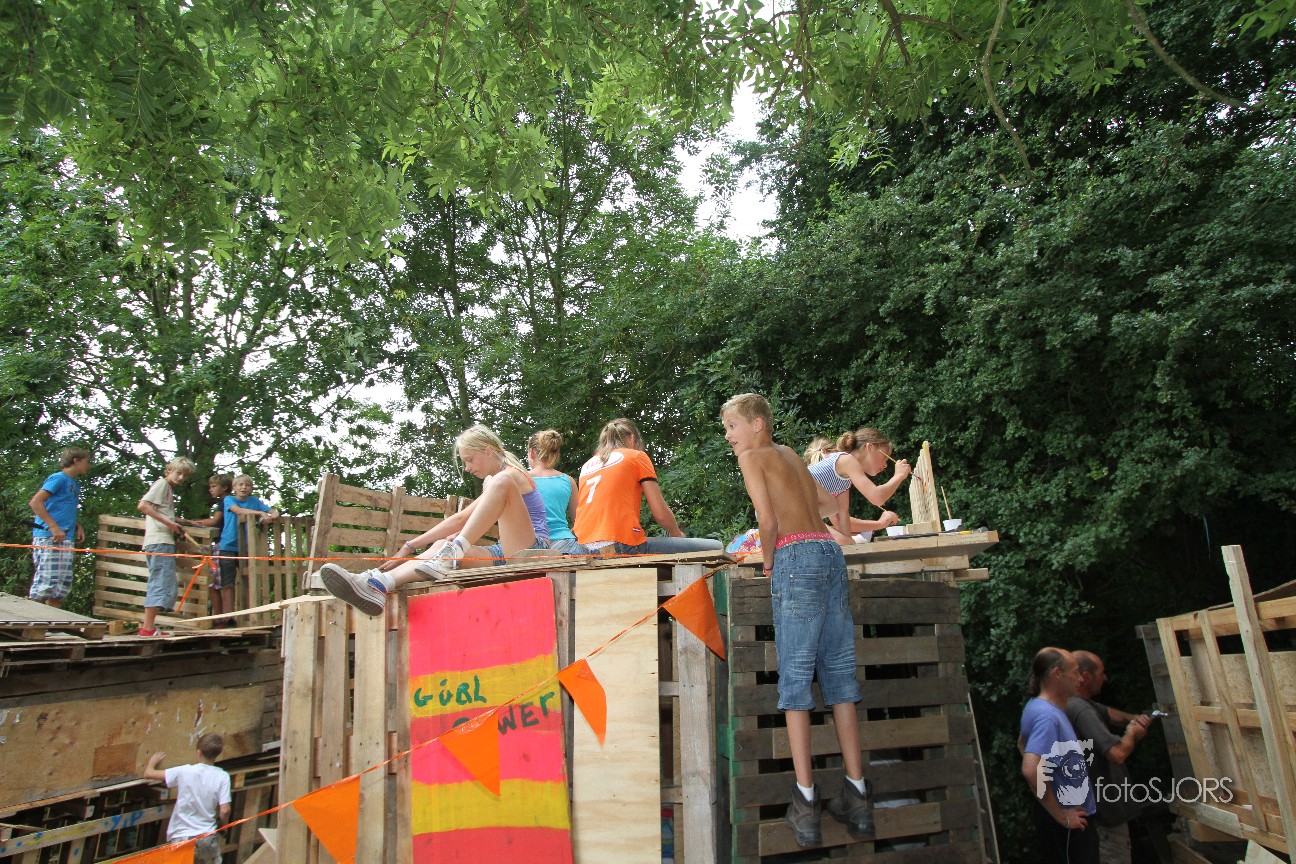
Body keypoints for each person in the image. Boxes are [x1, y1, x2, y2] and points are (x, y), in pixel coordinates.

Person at [721, 393, 873, 847]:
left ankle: (806, 804)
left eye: (732, 426)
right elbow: (827, 503)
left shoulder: (752, 458)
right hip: (829, 554)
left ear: (757, 424)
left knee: (795, 681)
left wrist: (769, 561)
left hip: (796, 559)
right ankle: (858, 796)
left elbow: (767, 522)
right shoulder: (788, 453)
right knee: (840, 677)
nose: (728, 436)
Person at [319, 424, 551, 616]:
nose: (467, 468)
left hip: (533, 549)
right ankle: (377, 584)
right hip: (504, 551)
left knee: (498, 484)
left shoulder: (509, 476)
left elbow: (462, 519)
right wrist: (410, 545)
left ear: (488, 451)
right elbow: (461, 519)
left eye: (469, 459)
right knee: (440, 546)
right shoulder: (495, 480)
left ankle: (453, 553)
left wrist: (425, 545)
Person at [571, 418, 722, 557]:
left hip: (584, 548)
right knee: (715, 547)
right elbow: (660, 513)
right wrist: (676, 533)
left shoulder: (587, 466)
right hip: (620, 544)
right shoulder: (636, 456)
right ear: (632, 438)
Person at [1065, 650, 1152, 864]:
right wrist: (1132, 734)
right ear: (1085, 677)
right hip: (1105, 816)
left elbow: (1109, 714)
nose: (1105, 678)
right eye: (1101, 673)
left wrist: (1136, 719)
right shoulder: (1080, 709)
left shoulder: (1073, 703)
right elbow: (1117, 754)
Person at [1020, 647, 1098, 864]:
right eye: (1075, 672)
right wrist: (1062, 816)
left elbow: (1022, 743)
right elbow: (1030, 770)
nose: (1080, 678)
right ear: (1057, 674)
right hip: (1068, 824)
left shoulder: (1037, 707)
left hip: (1068, 818)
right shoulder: (1047, 717)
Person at [804, 430, 911, 544]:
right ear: (869, 447)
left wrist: (849, 542)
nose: (885, 465)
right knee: (843, 539)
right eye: (885, 457)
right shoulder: (846, 459)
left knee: (847, 541)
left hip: (803, 512)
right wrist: (899, 476)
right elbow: (877, 497)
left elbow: (842, 519)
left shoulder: (844, 480)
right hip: (796, 509)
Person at [144, 733, 232, 863]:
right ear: (217, 754)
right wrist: (223, 826)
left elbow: (148, 773)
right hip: (206, 837)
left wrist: (152, 762)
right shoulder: (222, 776)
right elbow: (225, 810)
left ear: (198, 752)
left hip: (182, 837)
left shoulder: (184, 771)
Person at [136, 457, 197, 636]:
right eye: (178, 473)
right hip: (159, 542)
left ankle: (149, 627)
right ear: (168, 470)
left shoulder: (168, 489)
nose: (181, 478)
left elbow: (161, 512)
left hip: (161, 541)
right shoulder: (162, 484)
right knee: (159, 583)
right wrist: (170, 524)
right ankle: (147, 629)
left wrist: (183, 522)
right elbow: (143, 506)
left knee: (162, 582)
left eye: (184, 475)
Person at [28, 447, 92, 608]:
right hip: (49, 537)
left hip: (66, 537)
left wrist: (77, 525)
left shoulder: (74, 484)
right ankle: (29, 619)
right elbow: (35, 502)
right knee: (46, 582)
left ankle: (51, 620)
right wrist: (53, 527)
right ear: (76, 461)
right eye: (87, 461)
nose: (89, 465)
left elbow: (62, 508)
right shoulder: (58, 478)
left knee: (61, 586)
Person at [216, 475, 278, 625]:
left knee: (248, 581)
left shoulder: (254, 501)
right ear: (234, 487)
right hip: (228, 546)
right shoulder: (229, 500)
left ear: (251, 488)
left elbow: (272, 511)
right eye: (240, 485)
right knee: (228, 583)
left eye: (247, 485)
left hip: (246, 547)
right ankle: (228, 617)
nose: (244, 487)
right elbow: (237, 510)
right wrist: (259, 513)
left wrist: (272, 516)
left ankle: (248, 616)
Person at [180, 474, 235, 625]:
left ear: (224, 487)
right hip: (221, 545)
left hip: (222, 545)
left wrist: (193, 522)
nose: (210, 490)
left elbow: (214, 521)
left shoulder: (225, 501)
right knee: (215, 583)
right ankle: (219, 618)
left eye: (213, 486)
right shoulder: (226, 501)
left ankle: (222, 618)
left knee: (217, 583)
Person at [527, 429, 590, 555]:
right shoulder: (568, 481)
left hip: (533, 544)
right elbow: (580, 522)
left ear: (532, 453)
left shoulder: (521, 479)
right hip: (566, 544)